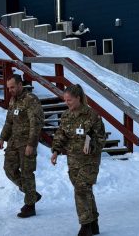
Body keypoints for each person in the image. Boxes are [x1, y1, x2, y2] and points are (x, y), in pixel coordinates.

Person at [51, 84, 105, 236]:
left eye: (69, 100)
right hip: (73, 160)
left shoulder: (92, 115)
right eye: (65, 100)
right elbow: (61, 134)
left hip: (90, 160)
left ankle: (85, 225)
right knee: (85, 190)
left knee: (81, 189)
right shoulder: (66, 116)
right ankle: (94, 223)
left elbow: (101, 138)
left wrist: (91, 145)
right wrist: (55, 150)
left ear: (78, 98)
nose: (66, 103)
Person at [0, 74, 44, 218]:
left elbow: (36, 123)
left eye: (12, 87)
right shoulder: (13, 100)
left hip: (26, 144)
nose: (10, 90)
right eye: (8, 88)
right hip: (13, 142)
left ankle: (30, 206)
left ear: (19, 85)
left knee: (27, 173)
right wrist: (2, 138)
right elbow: (9, 122)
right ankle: (32, 194)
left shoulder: (30, 100)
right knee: (9, 169)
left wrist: (31, 144)